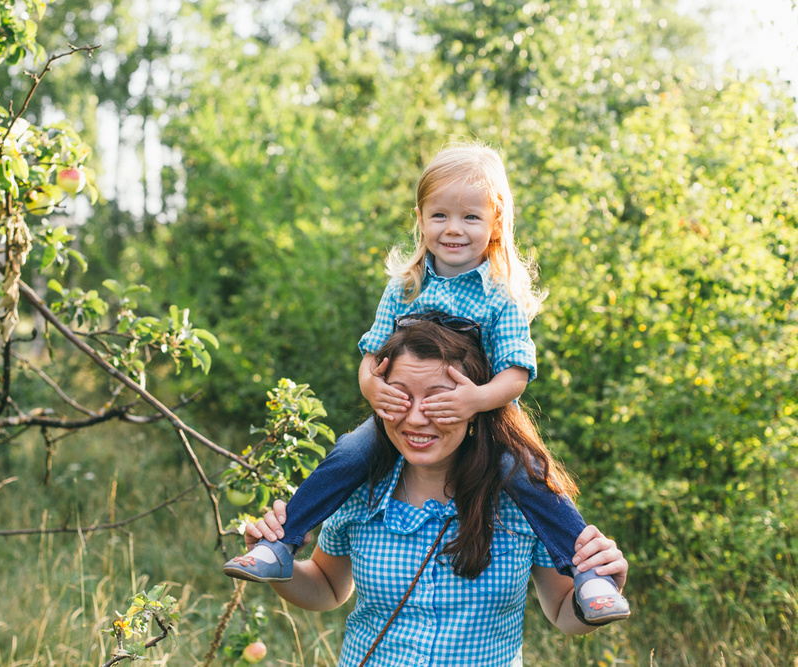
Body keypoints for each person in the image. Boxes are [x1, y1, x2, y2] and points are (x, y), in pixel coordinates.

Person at [223, 141, 629, 623]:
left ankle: (587, 574)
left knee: (529, 475)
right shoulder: (406, 285)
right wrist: (374, 389)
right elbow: (371, 356)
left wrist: (475, 400)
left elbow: (517, 373)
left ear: (496, 222)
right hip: (392, 408)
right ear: (420, 218)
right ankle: (280, 546)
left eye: (470, 218)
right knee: (348, 453)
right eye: (439, 215)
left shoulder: (499, 294)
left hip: (491, 414)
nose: (453, 229)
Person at [242, 321, 629, 666]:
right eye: (399, 396)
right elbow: (327, 587)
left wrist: (603, 583)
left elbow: (564, 611)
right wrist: (280, 564)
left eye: (439, 399)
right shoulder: (361, 489)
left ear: (478, 403)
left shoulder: (525, 499)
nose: (415, 418)